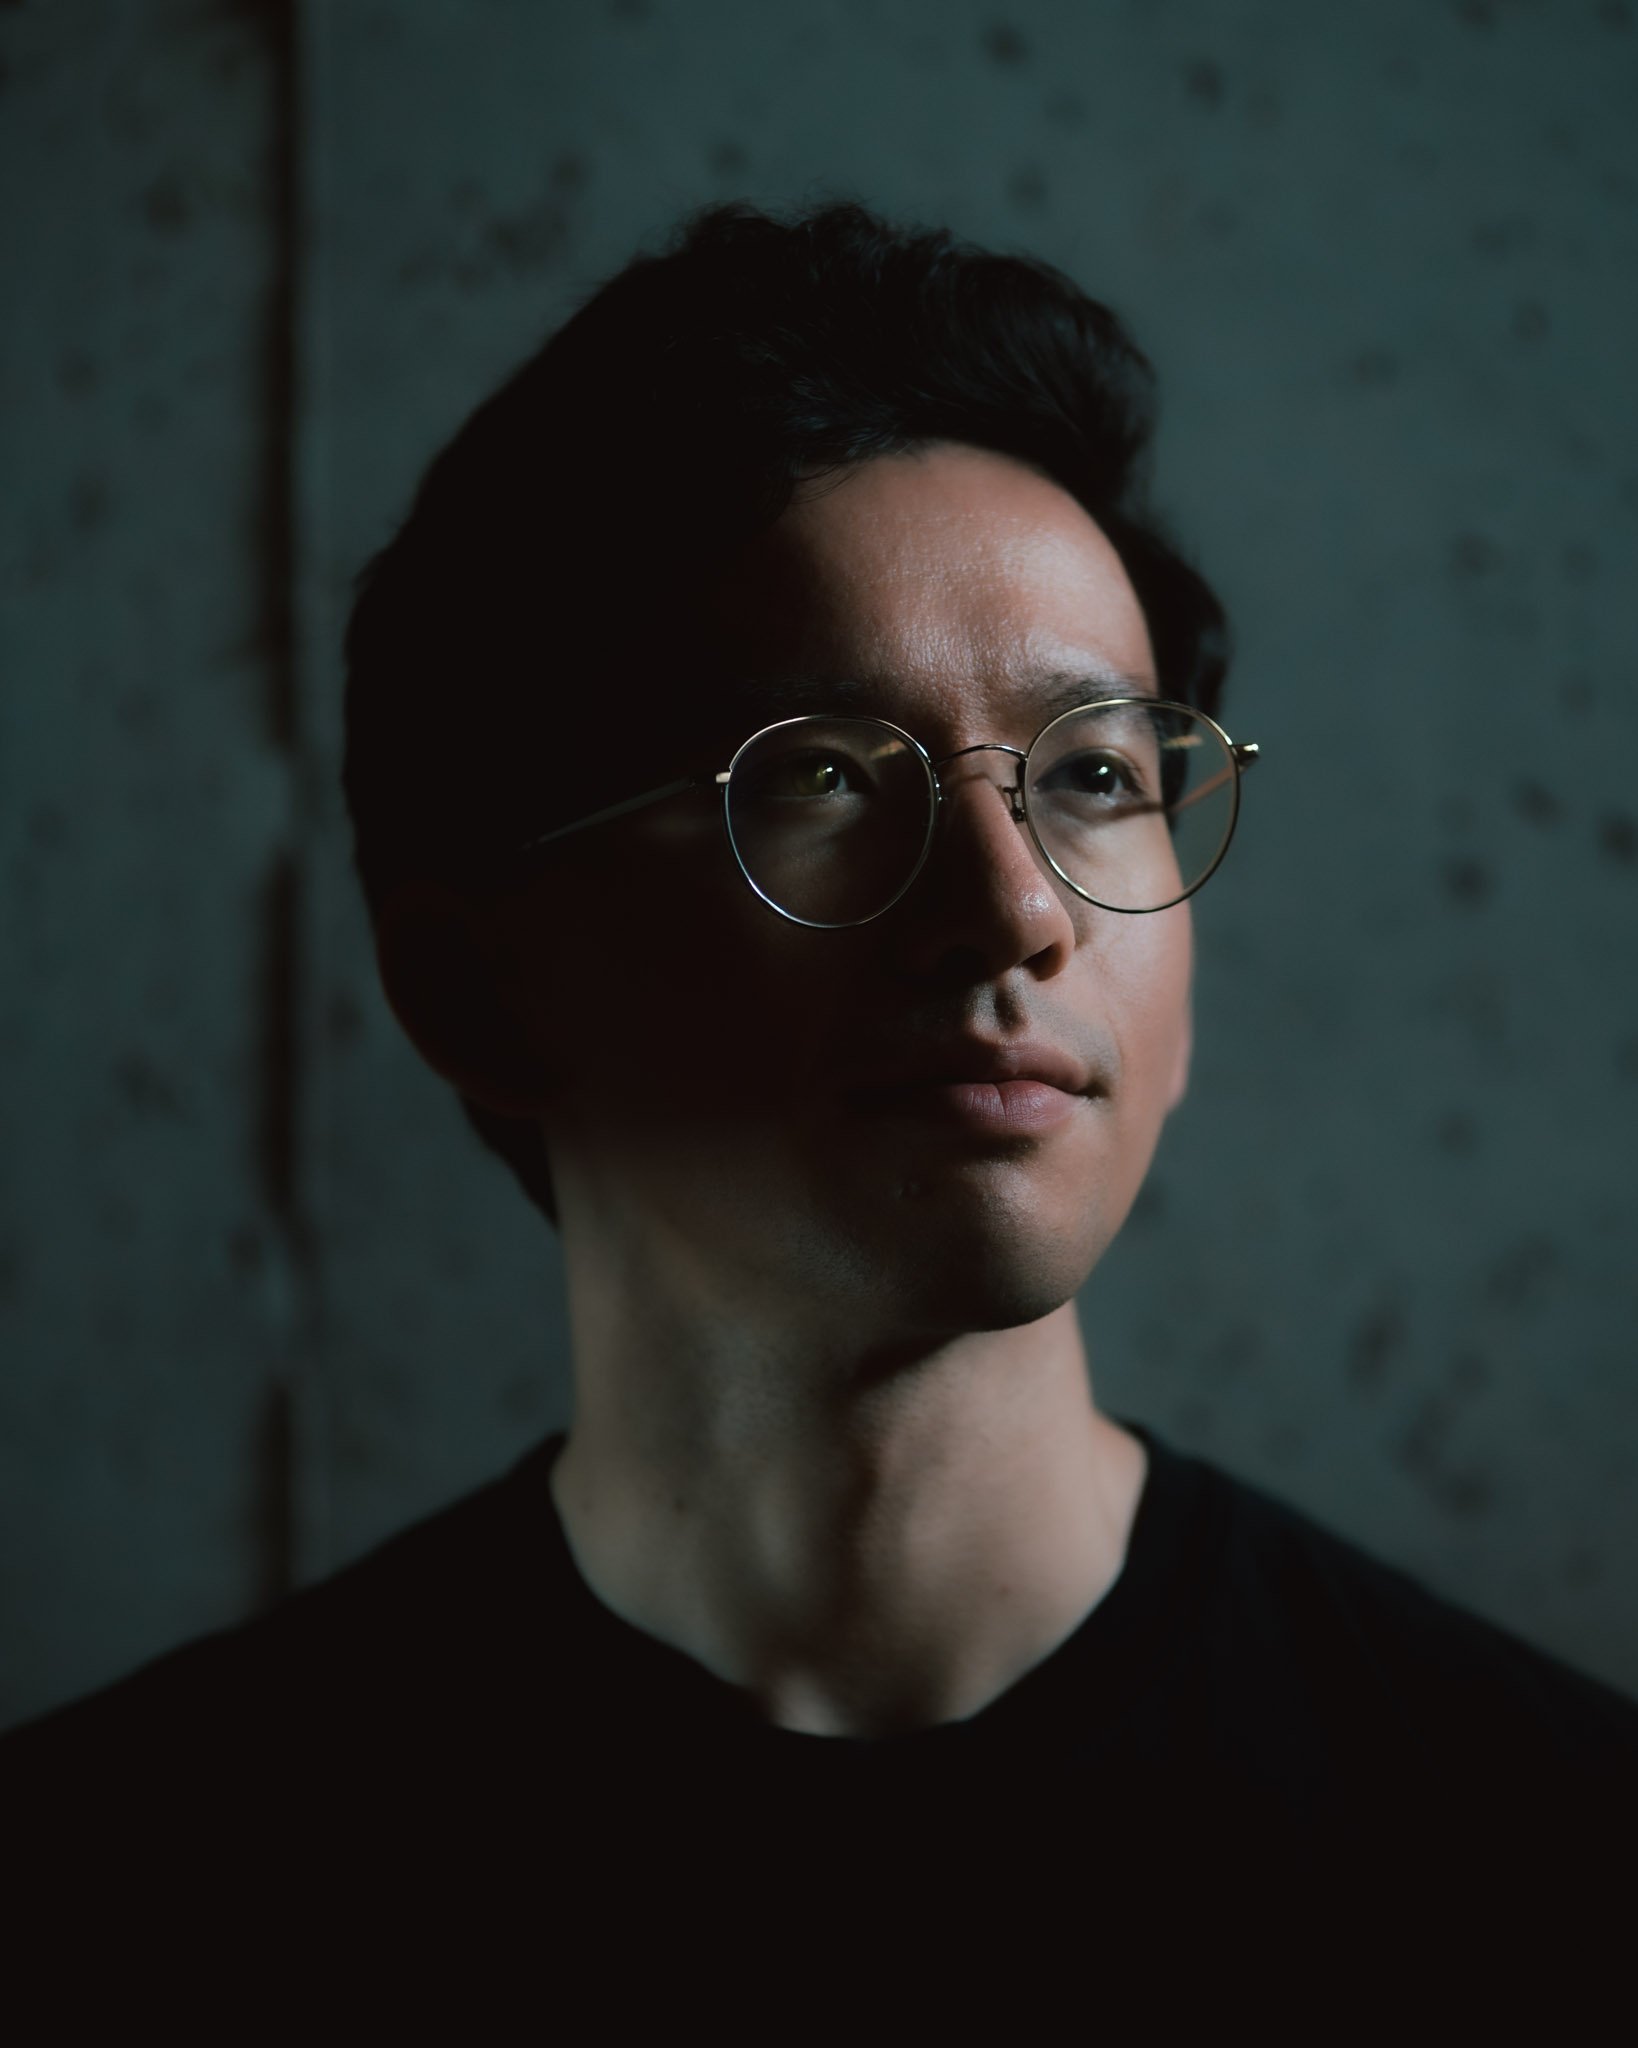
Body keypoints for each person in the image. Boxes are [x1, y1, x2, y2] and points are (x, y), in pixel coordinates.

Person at [7, 201, 1635, 1985]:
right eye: (830, 783)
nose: (1018, 909)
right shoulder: (123, 1893)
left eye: (1095, 774)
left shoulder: (1545, 1866)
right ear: (473, 989)